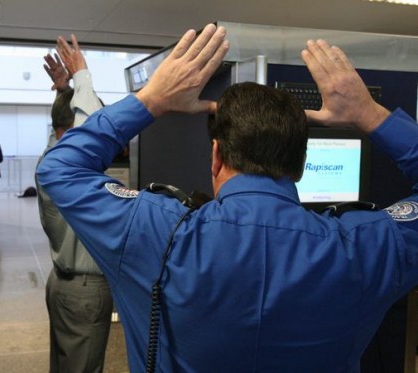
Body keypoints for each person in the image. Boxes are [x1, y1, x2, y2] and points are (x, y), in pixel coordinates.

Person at [37, 23, 418, 373]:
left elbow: (60, 169)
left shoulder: (151, 232)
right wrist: (371, 114)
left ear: (216, 156)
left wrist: (151, 99)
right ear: (301, 165)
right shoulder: (369, 246)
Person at [36, 35, 113, 373]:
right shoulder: (70, 167)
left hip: (63, 285)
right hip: (84, 290)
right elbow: (92, 129)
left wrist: (62, 91)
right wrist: (82, 77)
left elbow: (65, 128)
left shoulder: (51, 161)